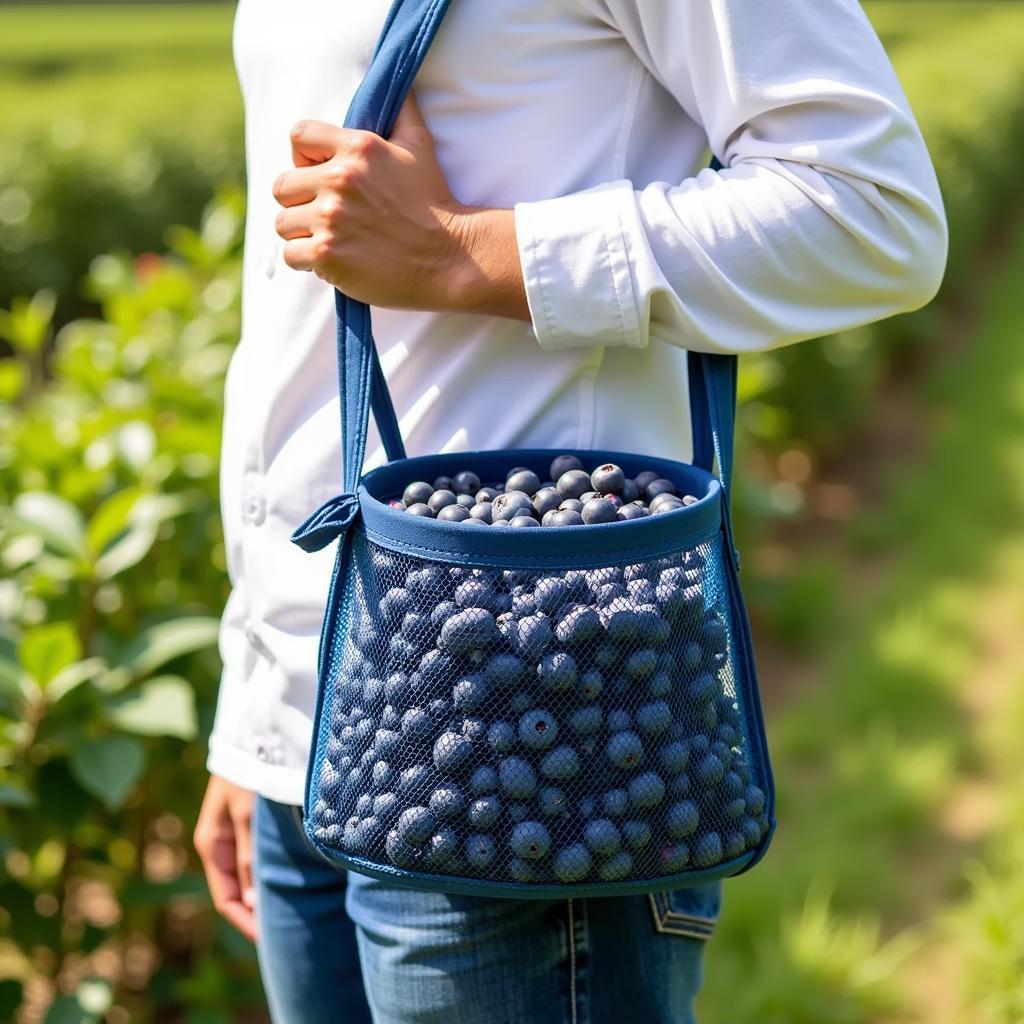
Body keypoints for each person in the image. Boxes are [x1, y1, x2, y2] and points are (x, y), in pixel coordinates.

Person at [193, 1, 947, 1021]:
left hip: (532, 712)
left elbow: (872, 212)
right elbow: (289, 313)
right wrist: (258, 713)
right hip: (314, 715)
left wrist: (472, 251)